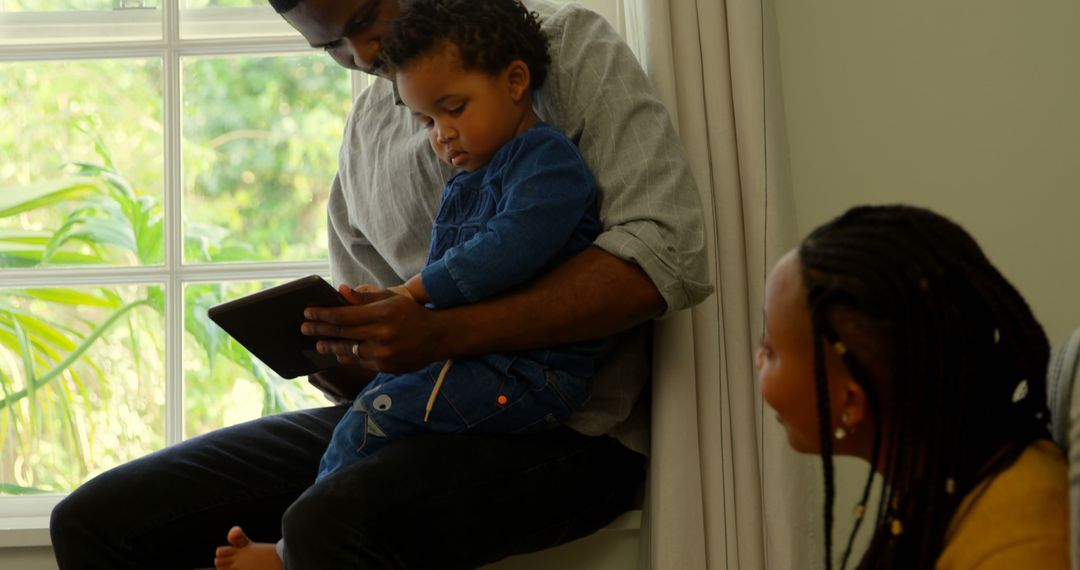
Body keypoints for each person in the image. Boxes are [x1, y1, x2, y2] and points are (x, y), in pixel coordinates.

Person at [49, 0, 711, 568]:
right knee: (95, 521)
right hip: (411, 406)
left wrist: (436, 330)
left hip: (567, 427)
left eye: (363, 18)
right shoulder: (368, 131)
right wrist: (345, 352)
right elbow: (377, 318)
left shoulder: (563, 50)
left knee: (325, 524)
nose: (361, 51)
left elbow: (663, 256)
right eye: (329, 45)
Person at [215, 1, 613, 566]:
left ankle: (283, 556)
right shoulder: (464, 177)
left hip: (532, 380)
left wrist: (411, 295)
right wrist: (351, 334)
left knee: (373, 417)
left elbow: (501, 254)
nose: (442, 137)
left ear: (517, 82)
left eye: (453, 111)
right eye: (427, 122)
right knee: (368, 407)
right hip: (478, 370)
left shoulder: (547, 160)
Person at [757, 204, 1068, 569]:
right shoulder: (936, 482)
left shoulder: (1018, 540)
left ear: (850, 402)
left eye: (770, 350)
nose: (758, 360)